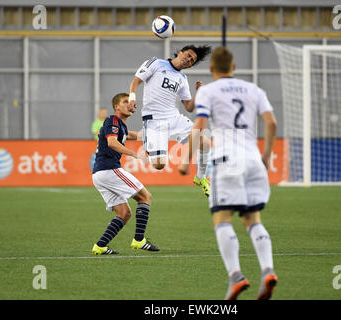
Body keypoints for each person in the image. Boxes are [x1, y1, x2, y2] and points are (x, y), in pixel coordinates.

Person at [178, 47, 278, 300]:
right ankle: (267, 270)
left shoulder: (209, 91)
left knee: (222, 219)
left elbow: (199, 126)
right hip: (253, 160)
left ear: (212, 70)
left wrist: (185, 160)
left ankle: (236, 276)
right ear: (234, 68)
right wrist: (265, 156)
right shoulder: (254, 90)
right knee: (253, 220)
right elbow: (271, 123)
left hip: (226, 161)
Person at [128, 45, 212, 197]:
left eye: (192, 60)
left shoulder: (182, 79)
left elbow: (189, 107)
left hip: (174, 118)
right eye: (188, 55)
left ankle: (200, 178)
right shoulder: (156, 63)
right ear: (180, 52)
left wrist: (198, 93)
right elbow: (136, 81)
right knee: (159, 165)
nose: (188, 60)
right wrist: (132, 98)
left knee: (205, 141)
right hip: (154, 120)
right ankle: (143, 135)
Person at [92, 93, 159, 255]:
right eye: (125, 102)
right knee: (145, 197)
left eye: (131, 102)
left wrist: (151, 134)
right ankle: (139, 240)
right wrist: (136, 155)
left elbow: (130, 135)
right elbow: (112, 142)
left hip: (99, 174)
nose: (130, 105)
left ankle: (100, 246)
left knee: (124, 213)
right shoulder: (112, 121)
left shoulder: (120, 125)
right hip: (109, 169)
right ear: (116, 107)